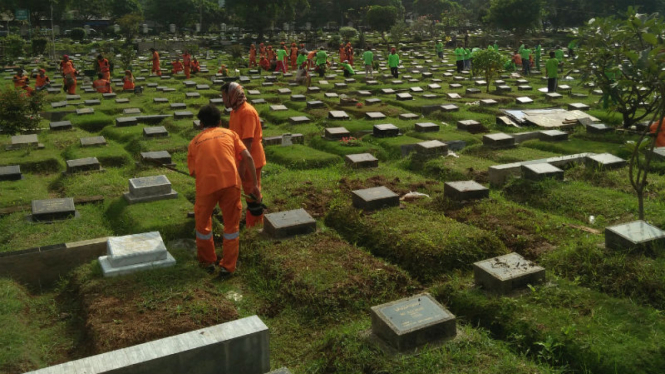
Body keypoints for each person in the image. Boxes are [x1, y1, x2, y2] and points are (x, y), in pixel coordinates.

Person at [188, 104, 262, 278]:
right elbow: (248, 157)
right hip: (231, 184)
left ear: (200, 124)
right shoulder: (231, 134)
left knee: (203, 224)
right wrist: (255, 186)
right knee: (231, 227)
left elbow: (195, 173)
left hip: (207, 187)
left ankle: (207, 262)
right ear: (220, 121)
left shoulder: (194, 143)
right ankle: (228, 266)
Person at [221, 82, 266, 228]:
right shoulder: (235, 111)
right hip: (241, 158)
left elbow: (247, 142)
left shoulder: (247, 112)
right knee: (247, 192)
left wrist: (241, 164)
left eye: (224, 96)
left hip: (250, 159)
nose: (223, 100)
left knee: (253, 191)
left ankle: (256, 225)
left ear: (233, 95)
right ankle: (250, 222)